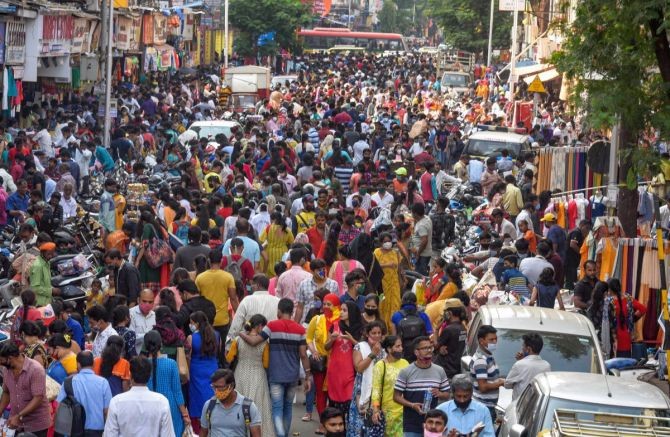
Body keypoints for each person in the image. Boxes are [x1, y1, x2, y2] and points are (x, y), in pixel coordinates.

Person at [238, 298, 311, 437]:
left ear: (279, 310)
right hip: (292, 375)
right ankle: (284, 434)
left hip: (276, 375)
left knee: (277, 408)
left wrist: (240, 333)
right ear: (292, 311)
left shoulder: (271, 326)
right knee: (288, 407)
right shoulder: (300, 329)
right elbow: (303, 354)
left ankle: (280, 435)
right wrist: (308, 376)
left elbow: (254, 341)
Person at [225, 314, 273, 437]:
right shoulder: (264, 343)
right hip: (258, 375)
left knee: (239, 404)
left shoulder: (238, 340)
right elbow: (266, 363)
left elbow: (229, 358)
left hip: (240, 374)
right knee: (259, 406)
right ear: (259, 326)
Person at [393, 336, 451, 437]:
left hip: (433, 425)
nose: (429, 351)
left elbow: (447, 395)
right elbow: (396, 397)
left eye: (430, 347)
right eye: (425, 348)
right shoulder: (406, 371)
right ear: (416, 352)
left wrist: (440, 393)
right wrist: (412, 405)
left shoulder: (439, 370)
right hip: (412, 424)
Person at [104, 356, 175, 436]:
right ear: (149, 377)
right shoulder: (162, 402)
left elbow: (110, 434)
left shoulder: (116, 402)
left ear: (130, 376)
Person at [306, 293, 341, 433]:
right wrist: (313, 351)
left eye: (329, 304)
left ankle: (335, 424)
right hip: (321, 362)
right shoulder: (317, 319)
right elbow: (308, 338)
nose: (326, 306)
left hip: (337, 364)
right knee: (320, 394)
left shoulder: (341, 321)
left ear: (336, 306)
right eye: (324, 303)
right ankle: (323, 424)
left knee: (334, 394)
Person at [144, 330, 190, 436]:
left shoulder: (142, 364)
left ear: (146, 346)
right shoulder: (171, 364)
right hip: (170, 406)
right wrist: (184, 414)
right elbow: (177, 391)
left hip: (148, 406)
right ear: (161, 345)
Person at [56, 351, 112, 437]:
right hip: (97, 431)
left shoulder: (68, 382)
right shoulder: (103, 383)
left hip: (74, 430)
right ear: (93, 364)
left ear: (78, 364)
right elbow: (107, 411)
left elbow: (59, 407)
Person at [0, 342, 51, 436]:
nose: (0, 363)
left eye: (1, 360)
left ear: (10, 358)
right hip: (16, 424)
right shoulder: (7, 370)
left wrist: (19, 416)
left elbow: (38, 398)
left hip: (36, 425)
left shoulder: (35, 369)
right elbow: (6, 392)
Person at [347, 321, 385, 436]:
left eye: (379, 333)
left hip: (377, 390)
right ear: (368, 334)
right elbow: (359, 368)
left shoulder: (384, 350)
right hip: (361, 389)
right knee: (359, 422)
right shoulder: (360, 346)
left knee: (373, 425)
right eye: (374, 333)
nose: (377, 335)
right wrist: (372, 354)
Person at [195, 250, 238, 351]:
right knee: (222, 349)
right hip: (222, 320)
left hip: (206, 320)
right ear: (221, 261)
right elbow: (233, 298)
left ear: (209, 261)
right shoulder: (228, 277)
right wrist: (237, 315)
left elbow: (196, 298)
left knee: (206, 347)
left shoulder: (200, 278)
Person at [200, 369, 262, 437]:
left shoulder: (248, 407)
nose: (216, 391)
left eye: (220, 387)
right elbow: (203, 432)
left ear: (231, 386)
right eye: (214, 387)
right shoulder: (208, 406)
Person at [325, 301, 362, 415]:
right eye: (341, 309)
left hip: (351, 371)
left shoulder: (360, 329)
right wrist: (332, 339)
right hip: (335, 371)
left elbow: (363, 349)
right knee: (335, 404)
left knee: (349, 401)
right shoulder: (335, 326)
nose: (341, 312)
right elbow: (326, 347)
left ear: (352, 312)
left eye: (344, 310)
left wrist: (352, 340)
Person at [186, 311, 220, 433]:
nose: (190, 325)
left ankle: (199, 427)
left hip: (196, 370)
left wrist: (188, 373)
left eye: (191, 323)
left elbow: (188, 357)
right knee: (212, 393)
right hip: (212, 368)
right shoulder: (216, 335)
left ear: (197, 324)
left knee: (196, 397)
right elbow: (217, 353)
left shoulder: (191, 338)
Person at [370, 335, 409, 437]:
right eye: (398, 346)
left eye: (401, 346)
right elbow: (376, 389)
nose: (401, 348)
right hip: (388, 413)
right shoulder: (380, 365)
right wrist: (375, 410)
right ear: (389, 349)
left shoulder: (405, 363)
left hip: (404, 410)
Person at [227, 274, 280, 340]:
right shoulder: (277, 301)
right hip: (270, 343)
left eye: (252, 284)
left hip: (248, 343)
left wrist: (229, 345)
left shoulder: (246, 300)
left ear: (258, 285)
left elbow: (235, 327)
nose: (251, 287)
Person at [469, 325, 505, 422]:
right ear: (481, 341)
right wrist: (500, 383)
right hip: (483, 407)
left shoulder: (488, 356)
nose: (494, 342)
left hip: (489, 407)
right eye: (491, 340)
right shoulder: (481, 360)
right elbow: (483, 387)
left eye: (496, 339)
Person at [606, 278, 647, 358]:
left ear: (610, 289)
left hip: (614, 337)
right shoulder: (629, 298)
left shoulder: (609, 301)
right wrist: (633, 318)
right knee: (626, 362)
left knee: (615, 363)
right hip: (627, 334)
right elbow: (643, 309)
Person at [504, 333, 551, 400]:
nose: (522, 348)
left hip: (520, 406)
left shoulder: (520, 365)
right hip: (537, 405)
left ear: (528, 349)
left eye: (523, 346)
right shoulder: (547, 365)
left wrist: (521, 361)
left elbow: (507, 384)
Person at [390, 292, 433, 362]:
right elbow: (430, 334)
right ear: (416, 303)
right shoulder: (423, 315)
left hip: (403, 353)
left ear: (402, 301)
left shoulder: (395, 316)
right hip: (421, 353)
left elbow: (394, 337)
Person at [295, 258, 339, 324]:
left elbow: (336, 307)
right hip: (307, 323)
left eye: (324, 269)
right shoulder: (304, 284)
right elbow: (300, 307)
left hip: (327, 324)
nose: (322, 272)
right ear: (312, 271)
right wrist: (296, 324)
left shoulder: (333, 284)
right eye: (319, 270)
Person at [374, 232, 402, 328]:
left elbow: (399, 268)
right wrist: (387, 265)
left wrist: (402, 279)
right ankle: (383, 326)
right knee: (382, 304)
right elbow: (374, 266)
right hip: (381, 285)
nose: (388, 243)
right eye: (385, 241)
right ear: (381, 242)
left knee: (396, 303)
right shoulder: (377, 252)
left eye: (389, 241)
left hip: (394, 283)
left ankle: (394, 326)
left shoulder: (395, 252)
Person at [434, 302, 467, 379]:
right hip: (456, 369)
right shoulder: (463, 328)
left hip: (446, 370)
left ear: (449, 313)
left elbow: (435, 346)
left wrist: (436, 329)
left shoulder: (449, 329)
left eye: (445, 312)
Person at [260, 211, 295, 277]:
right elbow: (292, 242)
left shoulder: (268, 228)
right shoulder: (286, 229)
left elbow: (261, 240)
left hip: (270, 253)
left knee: (270, 273)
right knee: (281, 272)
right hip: (283, 254)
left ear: (274, 219)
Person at [129, 288, 157, 355]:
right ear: (138, 300)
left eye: (150, 302)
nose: (147, 304)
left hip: (152, 355)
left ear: (153, 302)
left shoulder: (155, 316)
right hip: (136, 356)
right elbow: (131, 338)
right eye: (144, 301)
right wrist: (148, 336)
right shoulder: (131, 314)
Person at [565, 220, 591, 289]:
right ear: (581, 225)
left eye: (589, 229)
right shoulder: (576, 232)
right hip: (570, 261)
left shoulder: (579, 233)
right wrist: (581, 253)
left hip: (573, 261)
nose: (587, 231)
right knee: (571, 280)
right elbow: (572, 244)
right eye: (586, 228)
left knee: (573, 279)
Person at [29, 242, 56, 306]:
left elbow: (45, 283)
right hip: (40, 303)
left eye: (52, 254)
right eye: (48, 254)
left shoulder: (47, 263)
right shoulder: (38, 266)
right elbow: (35, 288)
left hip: (47, 301)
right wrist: (51, 291)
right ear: (42, 253)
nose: (51, 256)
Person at [410, 202, 433, 276]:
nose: (411, 214)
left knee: (420, 275)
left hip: (422, 254)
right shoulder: (426, 218)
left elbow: (424, 240)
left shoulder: (421, 225)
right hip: (426, 252)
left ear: (416, 214)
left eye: (412, 213)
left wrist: (418, 254)